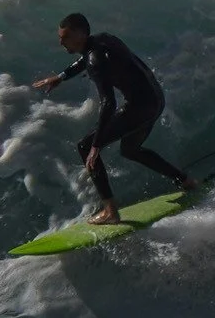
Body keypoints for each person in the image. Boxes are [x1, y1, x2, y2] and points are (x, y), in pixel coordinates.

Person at [31, 12, 198, 225]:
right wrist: (61, 77)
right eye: (60, 37)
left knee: (84, 146)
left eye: (66, 37)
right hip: (155, 99)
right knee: (130, 150)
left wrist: (96, 145)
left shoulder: (95, 61)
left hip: (140, 107)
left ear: (81, 34)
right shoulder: (104, 39)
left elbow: (108, 102)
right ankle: (186, 181)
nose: (61, 42)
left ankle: (110, 211)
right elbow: (86, 59)